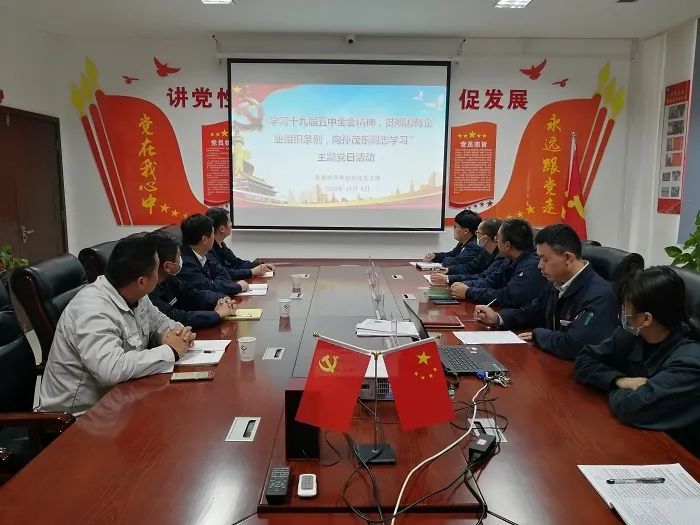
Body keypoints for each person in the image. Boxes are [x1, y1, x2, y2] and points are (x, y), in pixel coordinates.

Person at [38, 236, 196, 415]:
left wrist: (178, 333)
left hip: (122, 399)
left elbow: (158, 320)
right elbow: (110, 369)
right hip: (81, 417)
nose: (158, 275)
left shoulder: (135, 293)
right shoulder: (92, 310)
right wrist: (171, 351)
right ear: (142, 281)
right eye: (156, 270)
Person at [574, 266, 700, 455]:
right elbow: (584, 360)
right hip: (636, 439)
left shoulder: (690, 363)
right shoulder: (630, 336)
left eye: (625, 307)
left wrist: (608, 386)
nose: (622, 312)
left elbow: (633, 407)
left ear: (646, 319)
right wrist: (620, 380)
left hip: (676, 455)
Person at [474, 224, 618, 360]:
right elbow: (532, 311)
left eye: (545, 259)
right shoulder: (557, 283)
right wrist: (498, 318)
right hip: (552, 361)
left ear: (568, 258)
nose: (539, 265)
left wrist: (538, 334)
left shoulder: (600, 295)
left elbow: (574, 344)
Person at [147, 231, 237, 329]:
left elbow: (194, 295)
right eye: (179, 256)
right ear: (168, 266)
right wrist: (217, 314)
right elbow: (175, 317)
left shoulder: (169, 279)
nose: (181, 259)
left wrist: (222, 299)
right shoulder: (147, 292)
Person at [450, 218, 546, 308]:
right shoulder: (510, 259)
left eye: (498, 237)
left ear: (507, 245)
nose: (496, 240)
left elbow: (507, 296)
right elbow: (491, 281)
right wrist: (464, 285)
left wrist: (468, 292)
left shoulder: (531, 266)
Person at [178, 214, 249, 296]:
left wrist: (214, 283)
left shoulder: (206, 254)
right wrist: (237, 287)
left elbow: (224, 274)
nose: (214, 237)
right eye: (212, 234)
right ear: (204, 239)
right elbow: (207, 288)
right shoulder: (185, 263)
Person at [206, 207, 274, 280]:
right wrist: (252, 272)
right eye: (229, 221)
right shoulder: (208, 249)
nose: (231, 224)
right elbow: (223, 273)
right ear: (222, 229)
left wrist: (258, 265)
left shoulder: (221, 244)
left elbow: (236, 263)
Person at [430, 218, 502, 285]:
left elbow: (484, 278)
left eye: (478, 233)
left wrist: (449, 278)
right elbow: (470, 267)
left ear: (485, 238)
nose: (476, 235)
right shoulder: (485, 251)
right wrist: (448, 270)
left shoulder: (501, 257)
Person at [422, 210, 486, 273]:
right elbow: (452, 254)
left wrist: (447, 260)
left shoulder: (474, 246)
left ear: (466, 231)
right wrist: (435, 256)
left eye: (456, 226)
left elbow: (454, 262)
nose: (453, 229)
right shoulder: (462, 242)